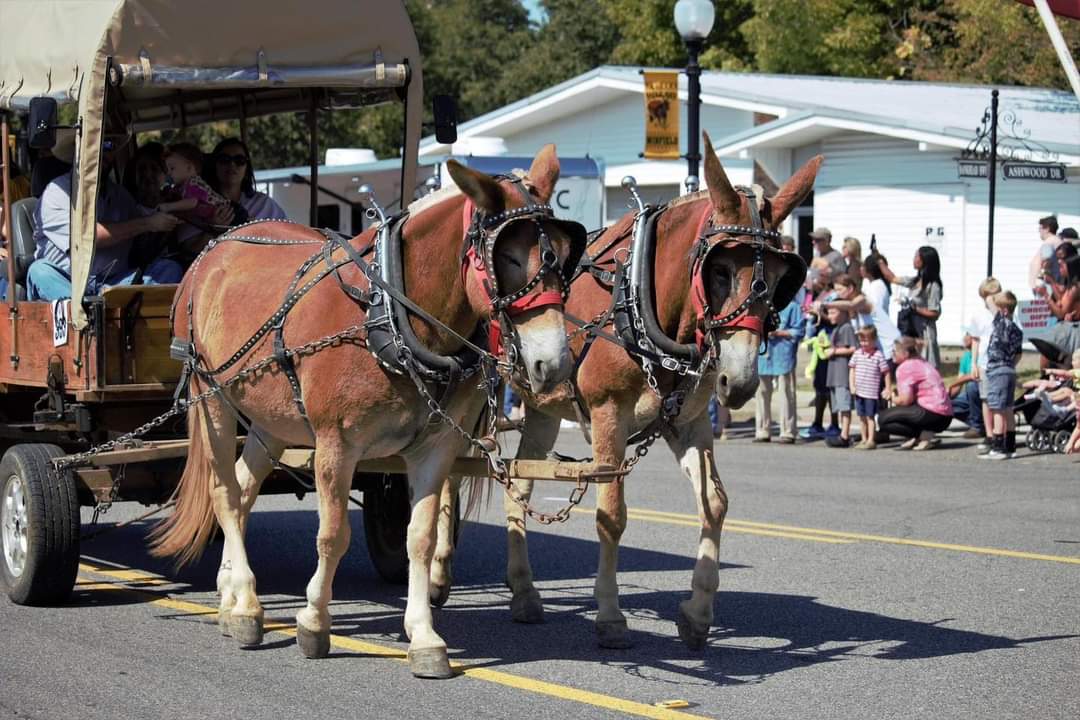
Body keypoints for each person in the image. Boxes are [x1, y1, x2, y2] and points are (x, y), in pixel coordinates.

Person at [27, 136, 182, 301]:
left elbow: (141, 246)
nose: (105, 153)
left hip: (115, 284)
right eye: (98, 145)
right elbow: (90, 237)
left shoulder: (121, 197)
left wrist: (168, 211)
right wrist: (148, 223)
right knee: (39, 271)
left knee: (169, 269)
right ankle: (87, 314)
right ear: (78, 151)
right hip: (68, 283)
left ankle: (110, 315)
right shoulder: (57, 192)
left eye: (110, 147)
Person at [175, 137, 287, 260]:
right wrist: (213, 229)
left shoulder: (263, 203)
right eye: (224, 160)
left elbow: (286, 240)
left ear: (246, 168)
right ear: (214, 165)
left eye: (239, 160)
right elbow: (188, 253)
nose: (232, 165)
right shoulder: (194, 203)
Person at [878, 337, 953, 450]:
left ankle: (924, 436)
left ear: (906, 353)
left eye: (895, 351)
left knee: (883, 420)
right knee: (899, 413)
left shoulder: (905, 368)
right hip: (945, 415)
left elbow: (905, 400)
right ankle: (918, 437)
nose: (892, 354)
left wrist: (891, 397)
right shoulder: (922, 361)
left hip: (932, 413)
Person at [877, 246, 942, 369]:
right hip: (912, 329)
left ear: (925, 260)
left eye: (917, 256)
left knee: (926, 363)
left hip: (925, 331)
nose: (914, 259)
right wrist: (879, 260)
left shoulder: (933, 286)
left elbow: (935, 312)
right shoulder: (915, 281)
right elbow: (892, 278)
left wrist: (915, 308)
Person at [978, 291, 1024, 461]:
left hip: (997, 370)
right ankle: (1010, 446)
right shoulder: (1017, 330)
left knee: (997, 409)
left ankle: (998, 447)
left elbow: (989, 300)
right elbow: (1018, 354)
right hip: (1009, 370)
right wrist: (1010, 364)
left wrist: (992, 291)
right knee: (1008, 408)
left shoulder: (1000, 322)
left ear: (1004, 310)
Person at [753, 295, 804, 443]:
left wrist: (779, 333)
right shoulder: (761, 305)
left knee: (787, 393)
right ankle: (762, 430)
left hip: (783, 354)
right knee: (761, 394)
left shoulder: (792, 306)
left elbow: (799, 330)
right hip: (763, 354)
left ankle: (788, 431)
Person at [159, 142, 247, 225]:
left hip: (228, 212)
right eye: (167, 169)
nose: (168, 173)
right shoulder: (182, 187)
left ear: (189, 168)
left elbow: (193, 202)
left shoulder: (192, 185)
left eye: (172, 168)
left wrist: (169, 207)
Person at [966, 277, 1003, 452]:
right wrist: (973, 363)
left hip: (1000, 361)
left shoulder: (1004, 314)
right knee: (986, 399)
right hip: (984, 361)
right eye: (988, 296)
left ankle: (1000, 433)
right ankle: (989, 434)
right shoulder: (978, 315)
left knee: (1000, 400)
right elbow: (975, 340)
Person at [848, 325, 892, 449]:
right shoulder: (857, 354)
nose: (863, 343)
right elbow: (852, 369)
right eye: (861, 340)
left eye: (866, 340)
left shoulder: (878, 355)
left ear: (874, 340)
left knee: (870, 417)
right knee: (861, 416)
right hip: (859, 391)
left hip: (871, 393)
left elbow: (886, 372)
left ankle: (871, 440)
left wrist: (887, 387)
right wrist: (852, 385)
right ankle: (864, 438)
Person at [823, 305, 856, 448]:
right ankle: (842, 432)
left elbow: (853, 348)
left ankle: (845, 435)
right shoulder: (836, 328)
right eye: (828, 313)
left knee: (844, 406)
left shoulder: (846, 328)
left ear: (843, 313)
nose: (830, 316)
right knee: (838, 405)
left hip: (842, 374)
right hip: (834, 373)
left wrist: (834, 351)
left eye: (833, 312)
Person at [947, 333, 985, 439]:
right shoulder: (965, 357)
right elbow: (959, 383)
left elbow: (974, 376)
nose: (964, 338)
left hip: (982, 392)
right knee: (947, 405)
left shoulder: (982, 354)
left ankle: (977, 427)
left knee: (972, 386)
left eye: (967, 334)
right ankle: (982, 424)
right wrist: (945, 396)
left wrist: (951, 385)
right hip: (970, 396)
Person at [1030, 215, 1062, 294]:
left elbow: (1046, 264)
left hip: (1045, 287)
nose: (1039, 231)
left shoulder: (1049, 243)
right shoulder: (1057, 241)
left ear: (1047, 229)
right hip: (1050, 286)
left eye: (1040, 228)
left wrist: (1038, 281)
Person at [1046, 255, 1080, 322]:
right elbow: (1061, 304)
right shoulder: (1071, 284)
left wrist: (1048, 299)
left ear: (1071, 268)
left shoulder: (1075, 287)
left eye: (1062, 266)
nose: (1060, 269)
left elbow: (1061, 314)